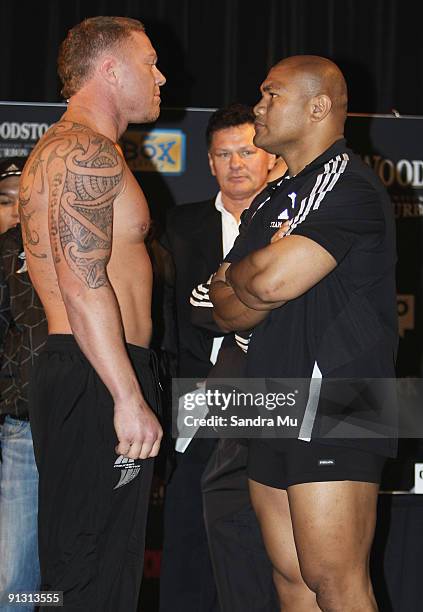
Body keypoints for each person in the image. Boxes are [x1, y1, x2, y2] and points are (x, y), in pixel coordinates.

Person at [211, 55, 397, 612]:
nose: (259, 107)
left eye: (271, 95)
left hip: (342, 394)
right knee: (290, 577)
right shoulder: (271, 196)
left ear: (318, 107)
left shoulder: (349, 184)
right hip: (269, 391)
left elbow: (261, 285)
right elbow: (225, 310)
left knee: (334, 579)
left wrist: (245, 275)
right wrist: (251, 278)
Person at [19, 17, 165, 611]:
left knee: (95, 563)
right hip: (98, 373)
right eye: (150, 61)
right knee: (87, 568)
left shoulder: (72, 148)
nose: (161, 76)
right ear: (110, 69)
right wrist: (126, 397)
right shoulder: (82, 151)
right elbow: (82, 285)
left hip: (92, 370)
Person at [160, 104, 276, 612]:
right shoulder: (179, 227)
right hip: (197, 406)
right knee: (189, 549)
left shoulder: (293, 224)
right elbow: (171, 317)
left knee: (267, 552)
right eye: (223, 154)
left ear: (269, 156)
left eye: (247, 151)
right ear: (208, 162)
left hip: (274, 404)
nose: (236, 164)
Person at [0, 157, 43, 612]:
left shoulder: (68, 245)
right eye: (4, 200)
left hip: (42, 421)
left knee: (25, 573)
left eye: (22, 197)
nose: (14, 209)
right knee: (14, 574)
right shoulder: (7, 253)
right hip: (20, 428)